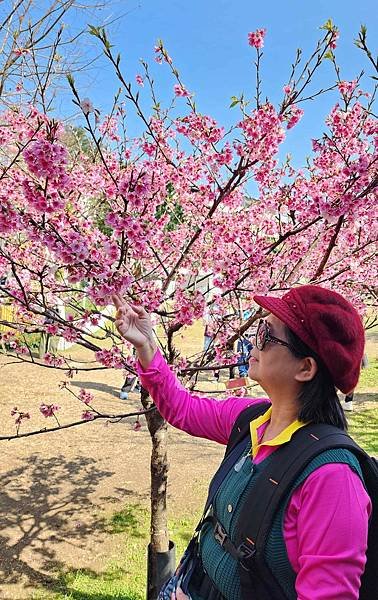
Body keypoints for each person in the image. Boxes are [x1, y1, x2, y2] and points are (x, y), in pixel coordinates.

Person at [113, 285, 371, 600]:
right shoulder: (254, 419)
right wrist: (147, 344)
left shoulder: (332, 479)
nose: (253, 339)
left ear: (305, 368)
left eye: (266, 333)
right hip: (191, 582)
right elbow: (182, 408)